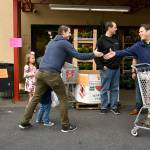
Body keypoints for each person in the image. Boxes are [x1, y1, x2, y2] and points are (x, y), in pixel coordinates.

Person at [19, 25, 104, 132]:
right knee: (63, 98)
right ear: (63, 32)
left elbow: (55, 57)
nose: (70, 34)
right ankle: (65, 126)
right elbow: (79, 56)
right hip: (52, 74)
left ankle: (24, 122)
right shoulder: (65, 43)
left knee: (35, 98)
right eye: (69, 32)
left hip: (40, 73)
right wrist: (94, 54)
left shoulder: (51, 43)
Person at [104, 24, 150, 125]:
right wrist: (115, 53)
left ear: (148, 31)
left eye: (141, 31)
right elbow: (126, 51)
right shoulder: (139, 45)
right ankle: (145, 114)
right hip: (144, 75)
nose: (139, 33)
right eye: (139, 31)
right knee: (146, 95)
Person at [95, 21, 121, 115]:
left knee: (115, 88)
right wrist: (102, 66)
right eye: (115, 27)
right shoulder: (101, 40)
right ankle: (104, 107)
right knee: (105, 89)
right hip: (107, 69)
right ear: (109, 28)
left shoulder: (116, 38)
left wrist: (119, 63)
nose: (116, 29)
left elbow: (120, 52)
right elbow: (96, 55)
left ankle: (114, 107)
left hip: (116, 68)